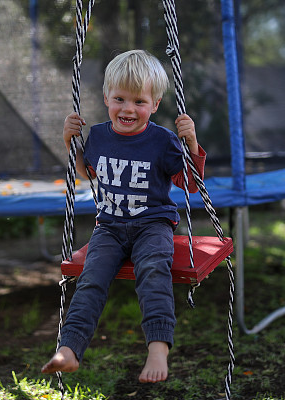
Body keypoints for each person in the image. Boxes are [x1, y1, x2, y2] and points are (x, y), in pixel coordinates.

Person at [41, 50, 206, 383]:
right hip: (111, 226)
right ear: (106, 98)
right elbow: (88, 172)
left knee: (153, 271)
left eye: (139, 102)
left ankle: (158, 348)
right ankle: (69, 349)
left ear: (155, 104)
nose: (128, 109)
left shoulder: (163, 140)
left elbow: (190, 183)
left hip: (153, 225)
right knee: (90, 280)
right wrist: (68, 142)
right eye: (120, 99)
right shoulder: (99, 135)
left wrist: (192, 144)